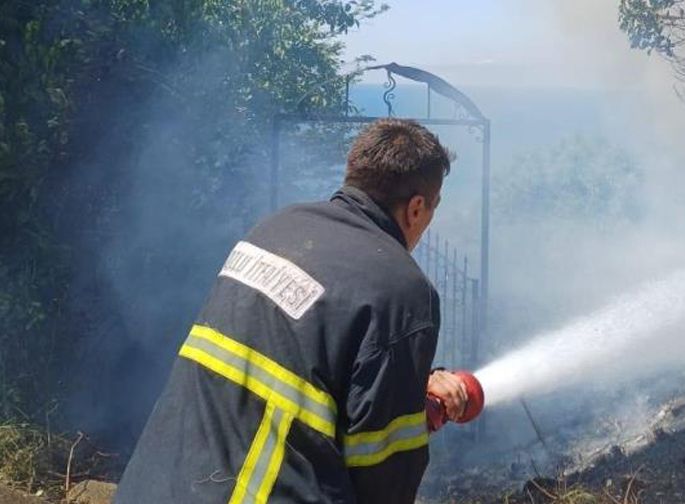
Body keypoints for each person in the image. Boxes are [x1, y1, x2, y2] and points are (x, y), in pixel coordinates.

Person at [115, 118, 467, 504]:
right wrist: (405, 411)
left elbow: (298, 367)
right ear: (416, 208)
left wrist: (406, 389)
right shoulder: (402, 290)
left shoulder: (274, 231)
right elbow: (383, 470)